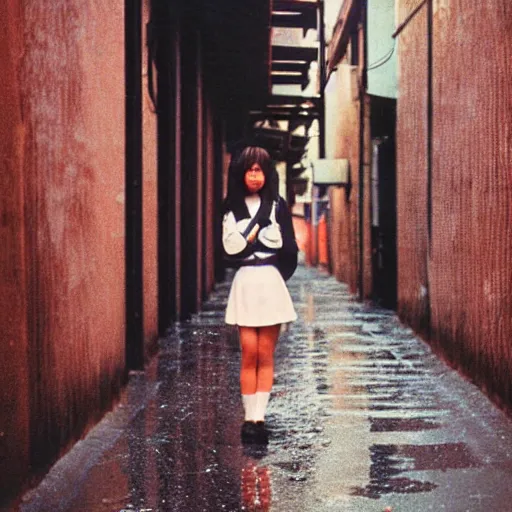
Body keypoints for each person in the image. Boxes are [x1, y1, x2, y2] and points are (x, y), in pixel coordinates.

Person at [222, 145, 298, 444]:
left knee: (265, 353)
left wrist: (278, 275)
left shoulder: (278, 205)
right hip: (245, 281)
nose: (254, 176)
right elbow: (228, 248)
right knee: (248, 351)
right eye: (249, 170)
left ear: (268, 173)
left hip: (269, 280)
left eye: (259, 170)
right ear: (240, 173)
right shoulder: (230, 206)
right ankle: (247, 415)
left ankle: (258, 418)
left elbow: (288, 247)